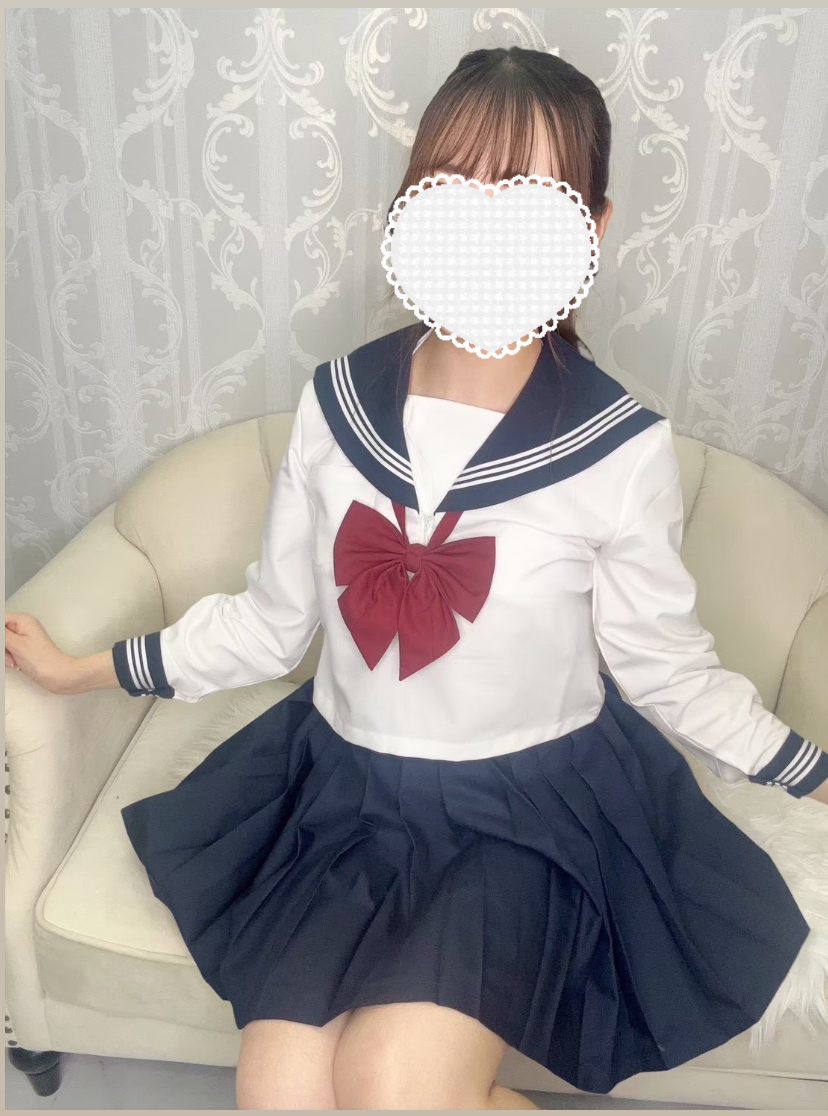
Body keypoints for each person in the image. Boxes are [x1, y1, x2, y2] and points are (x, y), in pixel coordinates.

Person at [6, 45, 828, 1112]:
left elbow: (666, 668)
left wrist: (810, 771)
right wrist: (88, 670)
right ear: (409, 211)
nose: (484, 232)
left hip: (524, 811)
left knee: (396, 1090)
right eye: (452, 190)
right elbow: (270, 623)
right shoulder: (334, 403)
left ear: (593, 227)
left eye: (526, 201)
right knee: (279, 1095)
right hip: (344, 792)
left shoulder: (620, 450)